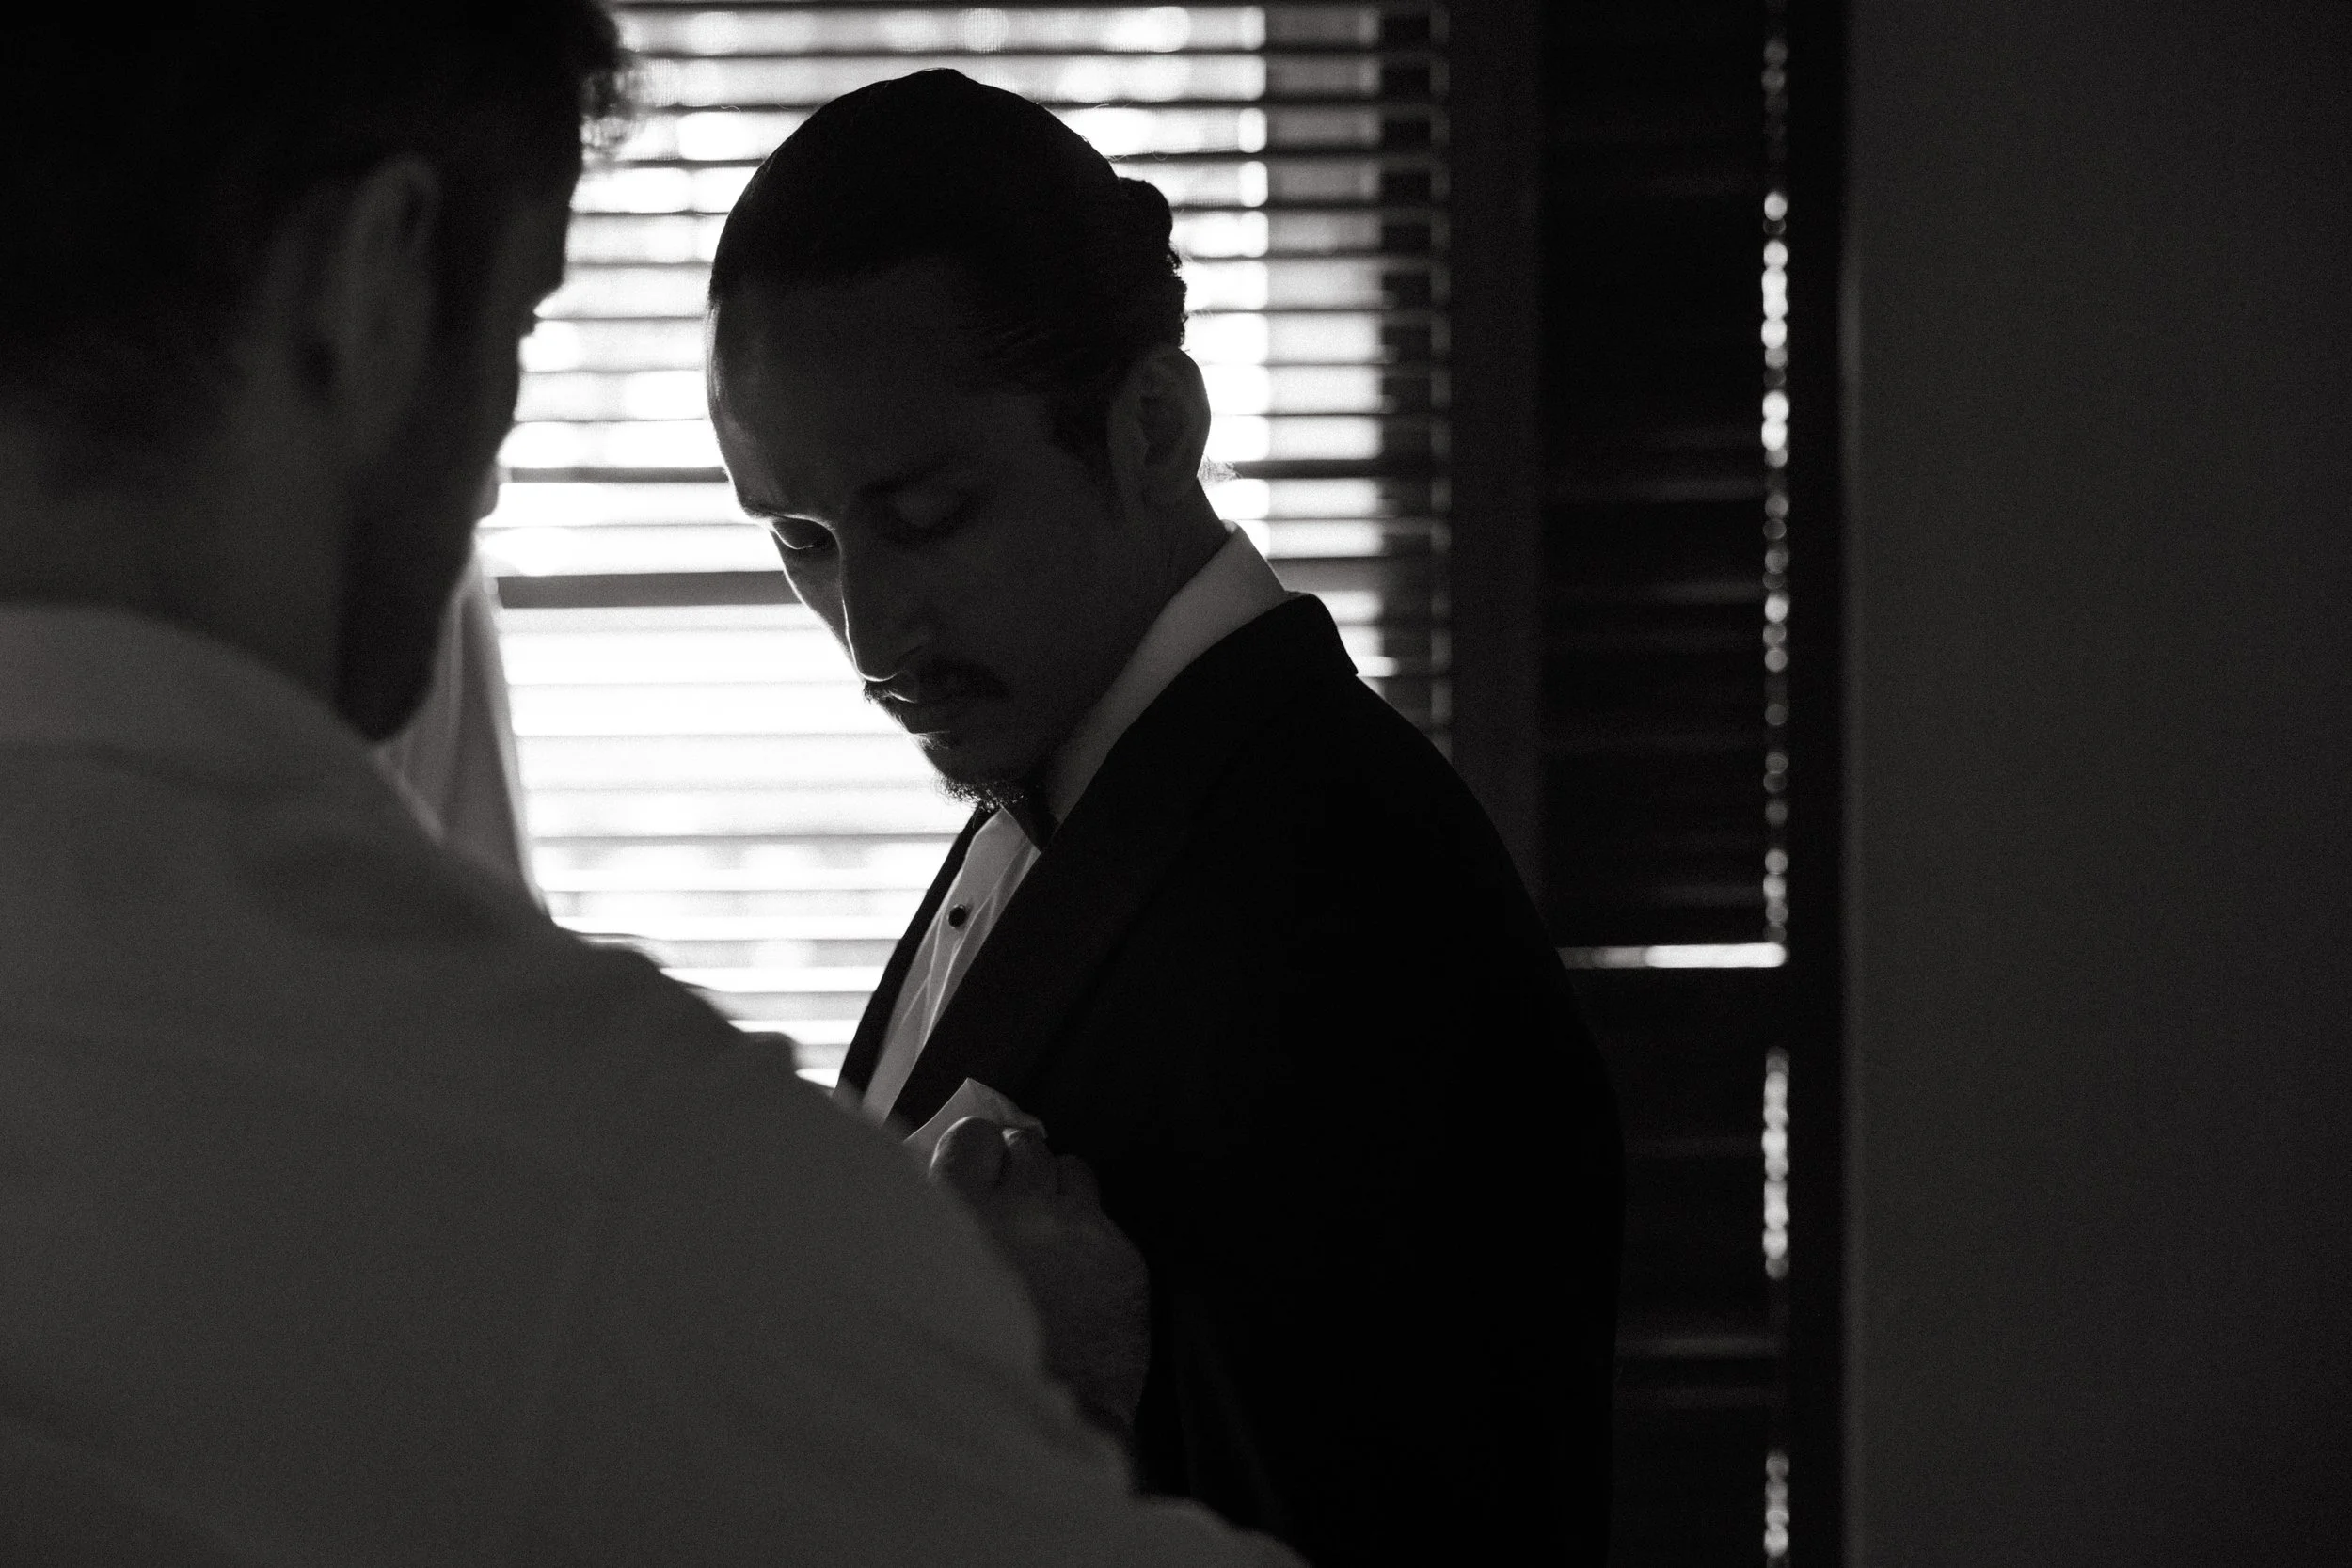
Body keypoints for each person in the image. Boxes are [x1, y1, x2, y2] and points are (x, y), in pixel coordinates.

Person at [0, 10, 1300, 1564]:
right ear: (377, 281)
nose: (491, 455)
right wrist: (915, 1348)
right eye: (524, 322)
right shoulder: (630, 1199)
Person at [708, 69, 1626, 1566]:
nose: (871, 632)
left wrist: (1050, 1410)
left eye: (930, 515)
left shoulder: (1354, 910)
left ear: (1153, 425)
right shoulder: (1065, 776)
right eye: (803, 541)